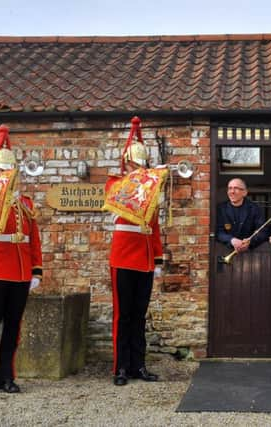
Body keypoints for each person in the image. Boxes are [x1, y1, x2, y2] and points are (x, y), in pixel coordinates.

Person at [0, 125, 43, 396]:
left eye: (10, 170)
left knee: (13, 328)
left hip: (20, 273)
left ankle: (7, 375)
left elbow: (34, 239)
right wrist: (0, 196)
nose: (8, 174)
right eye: (3, 170)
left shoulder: (25, 202)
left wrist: (35, 270)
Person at [105, 117, 163, 386]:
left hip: (145, 258)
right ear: (126, 163)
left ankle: (138, 365)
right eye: (135, 163)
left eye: (142, 164)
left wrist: (158, 258)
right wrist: (143, 178)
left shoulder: (149, 188)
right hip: (123, 257)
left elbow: (154, 226)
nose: (139, 167)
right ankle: (120, 367)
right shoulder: (115, 183)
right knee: (123, 315)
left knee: (139, 315)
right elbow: (121, 197)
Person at [216, 177, 268, 252]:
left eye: (236, 188)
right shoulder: (221, 209)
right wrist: (231, 240)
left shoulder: (255, 209)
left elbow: (263, 231)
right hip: (225, 251)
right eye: (230, 188)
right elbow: (218, 232)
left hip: (250, 255)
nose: (232, 191)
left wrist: (250, 241)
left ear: (245, 192)